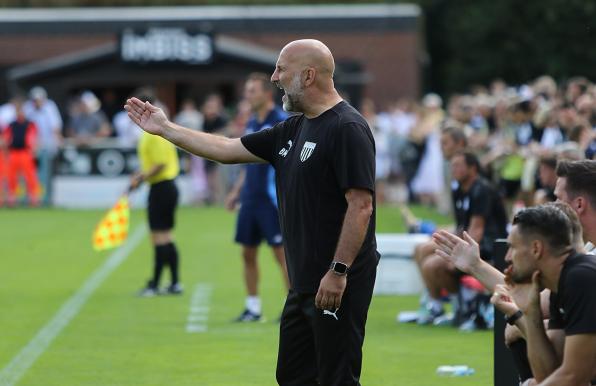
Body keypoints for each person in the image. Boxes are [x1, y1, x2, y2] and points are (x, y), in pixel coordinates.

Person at [125, 39, 377, 386]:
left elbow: (361, 205)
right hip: (304, 282)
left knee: (337, 378)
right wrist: (166, 129)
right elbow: (227, 149)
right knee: (292, 376)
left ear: (307, 75)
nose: (274, 78)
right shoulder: (294, 127)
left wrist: (338, 271)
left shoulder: (347, 128)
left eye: (280, 70)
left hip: (336, 280)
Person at [225, 73, 290, 322]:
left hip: (271, 201)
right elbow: (246, 161)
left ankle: (291, 307)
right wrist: (236, 192)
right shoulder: (252, 122)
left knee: (281, 255)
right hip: (250, 199)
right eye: (247, 91)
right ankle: (253, 308)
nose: (247, 96)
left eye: (252, 91)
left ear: (266, 93)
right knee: (247, 253)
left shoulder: (281, 122)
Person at [416, 151, 508, 325]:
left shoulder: (482, 190)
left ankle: (462, 306)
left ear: (472, 169)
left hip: (488, 246)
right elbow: (461, 227)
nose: (454, 170)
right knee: (422, 249)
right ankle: (437, 305)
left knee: (433, 265)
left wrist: (458, 256)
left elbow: (477, 230)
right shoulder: (458, 189)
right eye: (452, 166)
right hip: (472, 240)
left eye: (458, 166)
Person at [129, 91, 182, 297]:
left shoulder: (154, 132)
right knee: (165, 236)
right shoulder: (154, 130)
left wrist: (140, 178)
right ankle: (174, 282)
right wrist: (139, 175)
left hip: (162, 187)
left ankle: (156, 284)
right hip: (164, 187)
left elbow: (159, 164)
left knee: (160, 237)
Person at [23, 86, 63, 206]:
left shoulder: (50, 107)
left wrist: (56, 143)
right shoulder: (28, 108)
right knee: (31, 175)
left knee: (45, 175)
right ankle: (32, 198)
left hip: (47, 147)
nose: (37, 102)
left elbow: (55, 126)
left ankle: (45, 199)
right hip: (32, 148)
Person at [3, 98, 41, 206]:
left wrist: (34, 150)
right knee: (11, 177)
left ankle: (33, 197)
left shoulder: (30, 124)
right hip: (13, 153)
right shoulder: (11, 125)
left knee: (30, 177)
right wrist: (6, 152)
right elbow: (6, 139)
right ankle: (12, 197)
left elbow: (34, 138)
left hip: (26, 152)